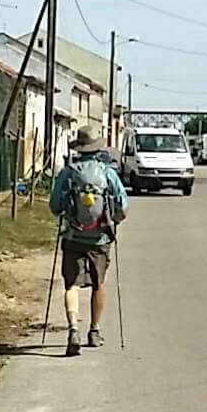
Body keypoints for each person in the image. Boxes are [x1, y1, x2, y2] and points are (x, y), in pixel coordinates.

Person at [48, 128, 128, 355]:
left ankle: (73, 327)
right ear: (97, 147)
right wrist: (113, 223)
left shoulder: (67, 172)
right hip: (100, 237)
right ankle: (94, 331)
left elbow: (54, 206)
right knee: (98, 284)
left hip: (73, 236)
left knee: (71, 284)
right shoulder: (107, 173)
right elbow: (122, 206)